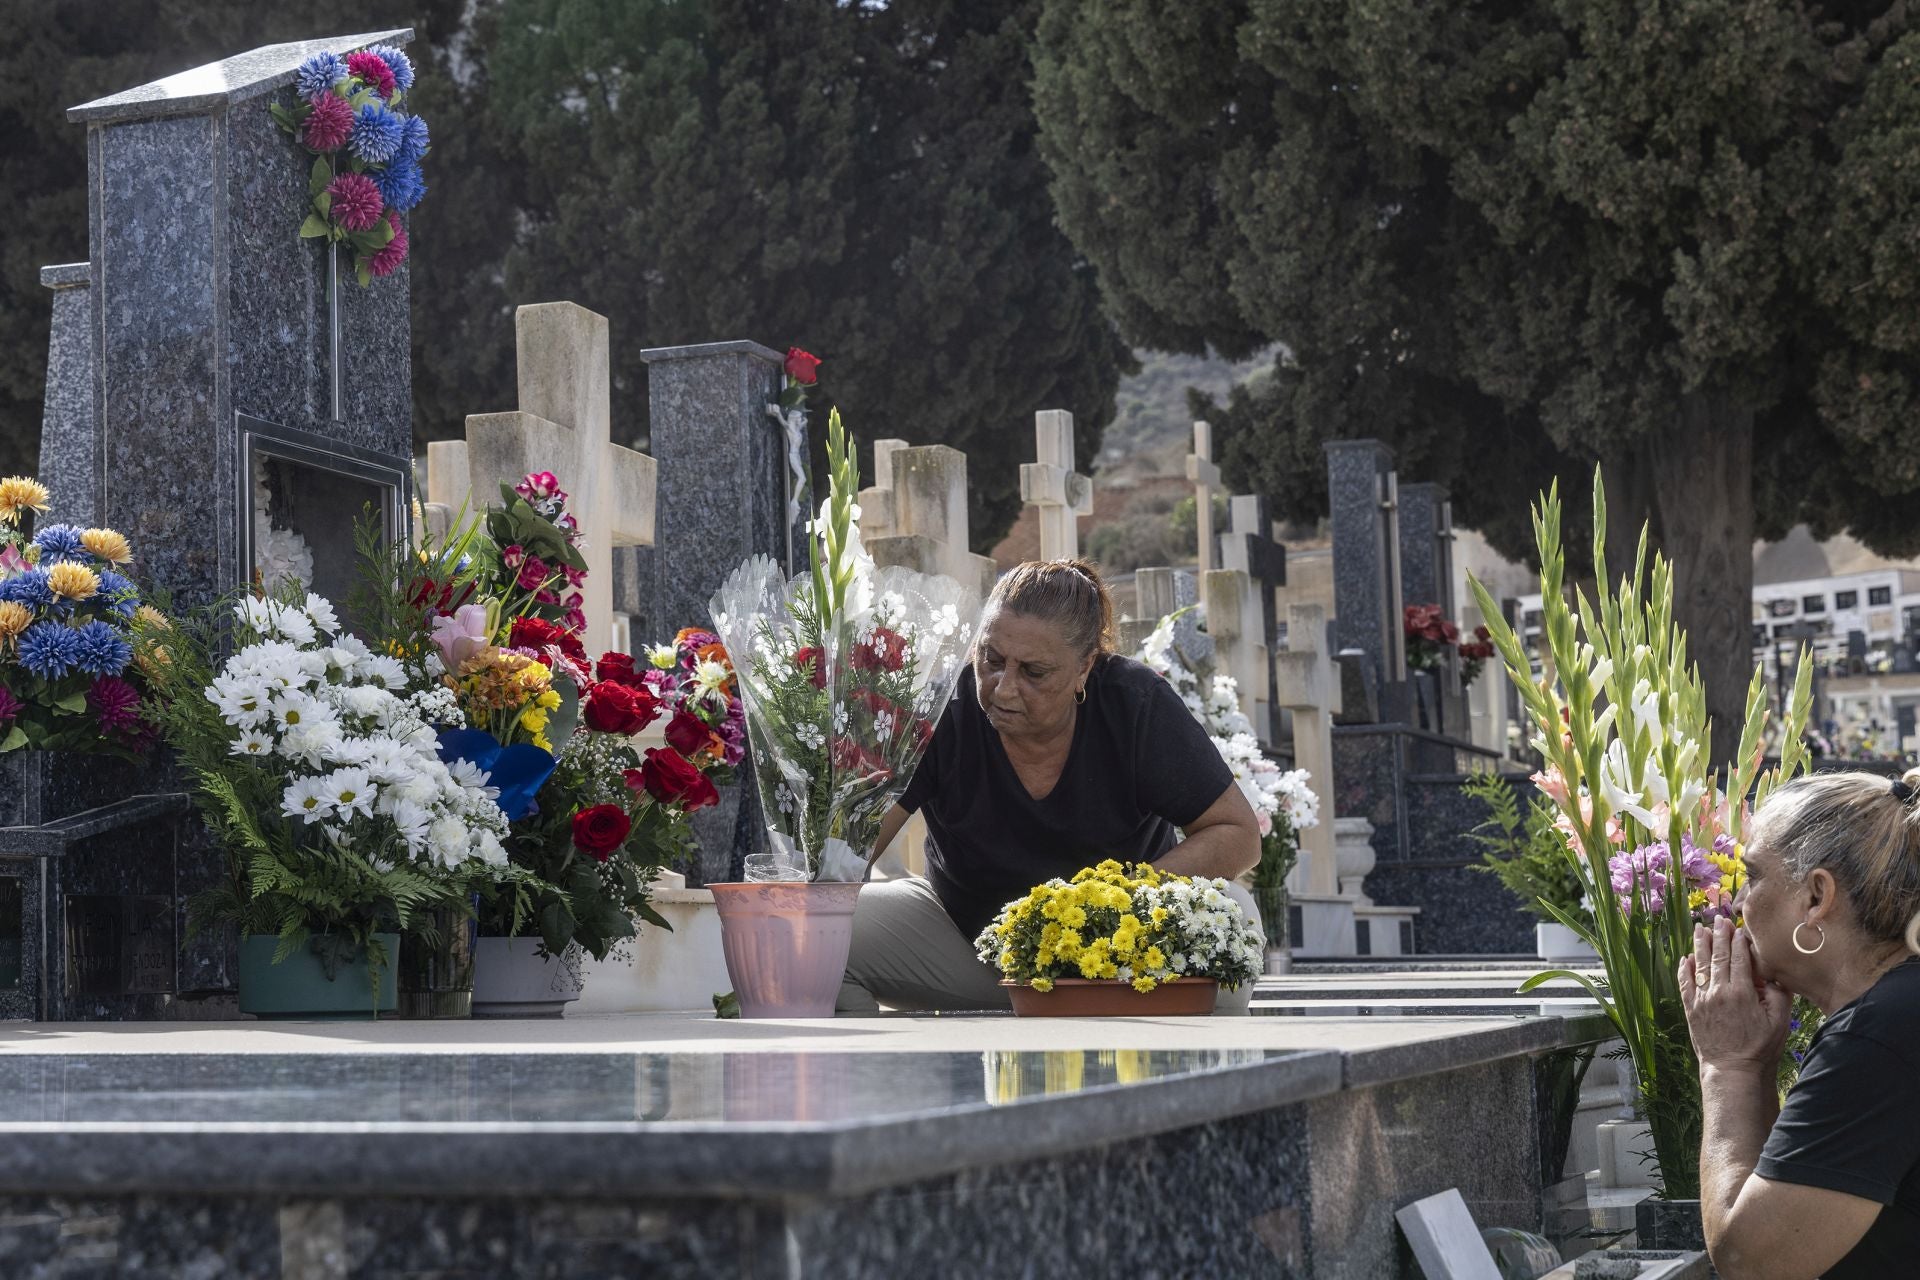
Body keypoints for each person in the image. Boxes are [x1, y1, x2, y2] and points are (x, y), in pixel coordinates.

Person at [836, 558, 1263, 1014]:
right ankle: (907, 1081)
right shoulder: (944, 708)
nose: (1003, 689)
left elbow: (1238, 833)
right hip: (970, 945)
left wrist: (1118, 900)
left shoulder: (1133, 705)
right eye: (991, 660)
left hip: (1125, 954)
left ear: (1085, 668)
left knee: (1236, 916)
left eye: (1034, 673)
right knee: (822, 940)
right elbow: (851, 847)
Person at [1680, 769, 1920, 1280]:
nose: (1738, 903)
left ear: (1816, 896)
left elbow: (1756, 1260)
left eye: (1753, 875)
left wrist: (1728, 1066)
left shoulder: (1879, 1036)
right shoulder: (1898, 1009)